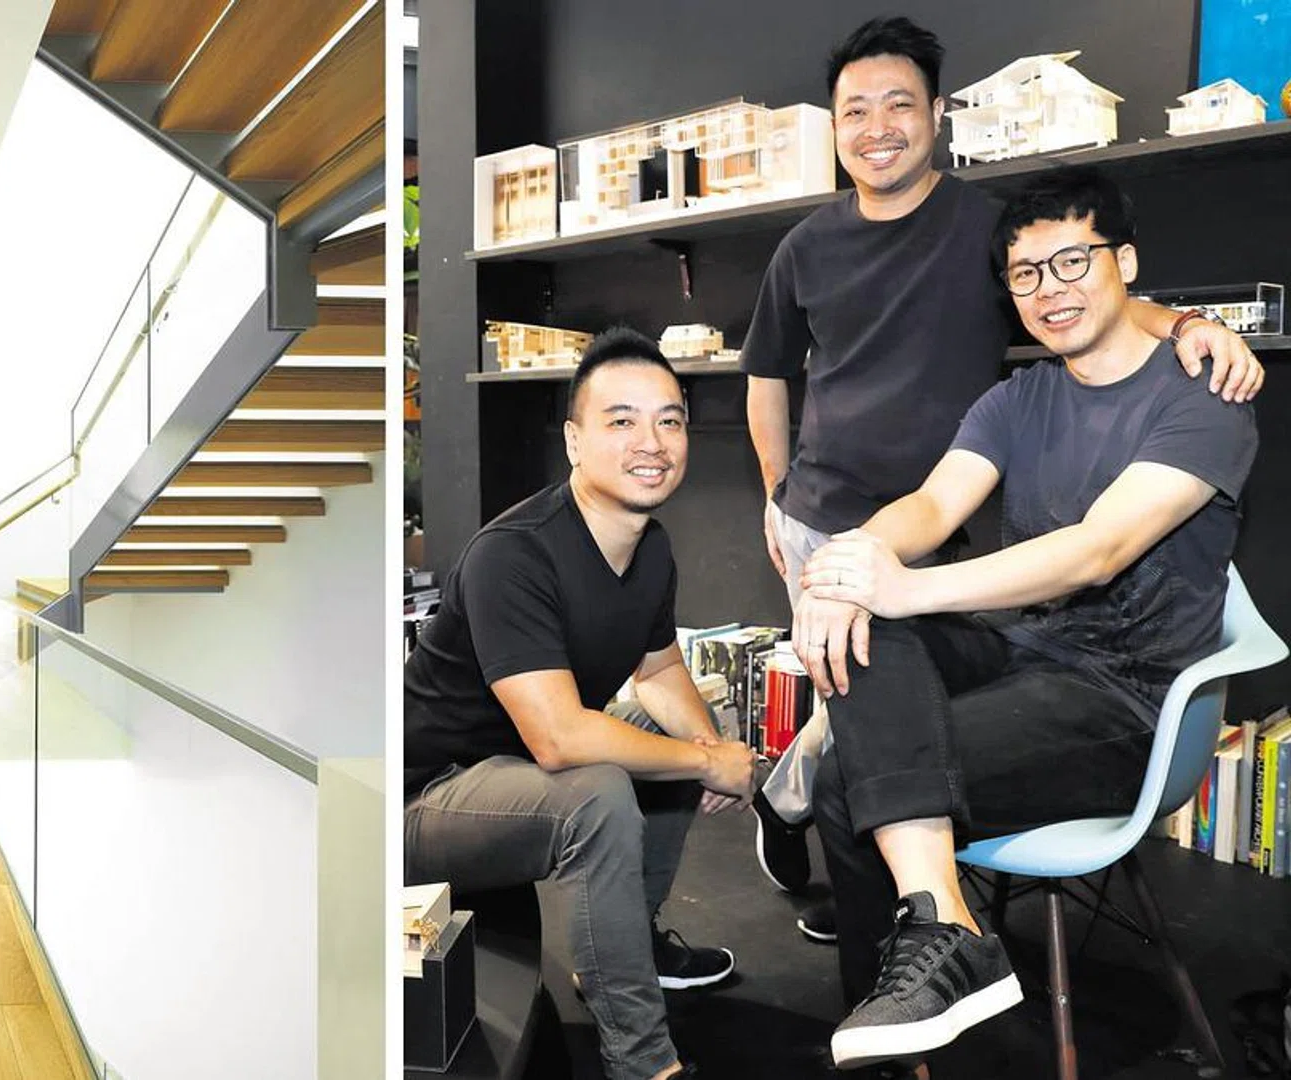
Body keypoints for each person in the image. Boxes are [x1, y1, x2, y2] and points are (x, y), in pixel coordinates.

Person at [740, 15, 1264, 942]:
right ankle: (913, 931)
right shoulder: (815, 253)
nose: (876, 126)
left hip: (1046, 626)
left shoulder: (997, 235)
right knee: (862, 660)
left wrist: (1185, 325)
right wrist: (793, 512)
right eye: (852, 110)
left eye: (898, 103)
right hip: (861, 528)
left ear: (936, 115)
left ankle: (912, 936)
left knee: (860, 748)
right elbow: (776, 382)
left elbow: (1091, 544)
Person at [788, 166, 1256, 1069]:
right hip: (1020, 652)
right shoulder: (1016, 399)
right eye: (1026, 274)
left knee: (853, 776)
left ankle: (918, 1003)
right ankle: (937, 943)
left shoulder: (1204, 394)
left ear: (1125, 263)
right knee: (867, 635)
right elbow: (928, 507)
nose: (1050, 290)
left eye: (1072, 261)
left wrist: (905, 586)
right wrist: (852, 568)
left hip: (1129, 701)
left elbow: (1097, 549)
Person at [405, 327, 759, 1080]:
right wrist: (703, 758)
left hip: (510, 776)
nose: (652, 442)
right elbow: (561, 740)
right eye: (621, 420)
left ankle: (624, 940)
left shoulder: (649, 545)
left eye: (669, 419)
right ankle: (642, 1060)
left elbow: (659, 668)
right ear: (574, 440)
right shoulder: (516, 553)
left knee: (651, 733)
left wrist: (712, 754)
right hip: (422, 802)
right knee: (596, 789)